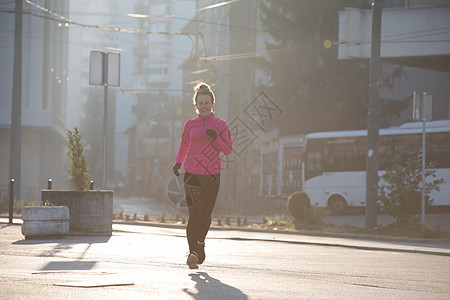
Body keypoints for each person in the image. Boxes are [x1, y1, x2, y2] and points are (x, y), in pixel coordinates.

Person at [173, 82, 232, 269]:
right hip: (192, 173)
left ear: (212, 104)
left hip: (212, 175)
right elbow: (184, 144)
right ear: (196, 105)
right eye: (201, 103)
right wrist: (178, 162)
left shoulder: (220, 125)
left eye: (207, 102)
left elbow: (228, 150)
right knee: (194, 214)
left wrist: (216, 138)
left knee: (206, 215)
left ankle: (199, 244)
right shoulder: (190, 125)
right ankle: (192, 253)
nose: (204, 106)